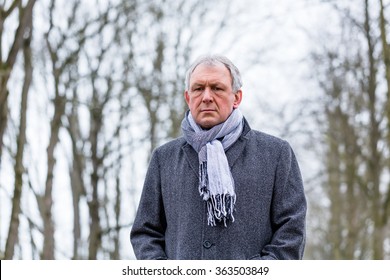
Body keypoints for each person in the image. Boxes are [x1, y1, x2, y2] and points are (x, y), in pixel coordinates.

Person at [130, 54, 307, 260]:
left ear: (237, 97)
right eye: (198, 88)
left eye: (217, 88)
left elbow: (291, 232)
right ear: (188, 97)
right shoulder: (164, 158)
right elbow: (145, 232)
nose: (206, 97)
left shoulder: (276, 154)